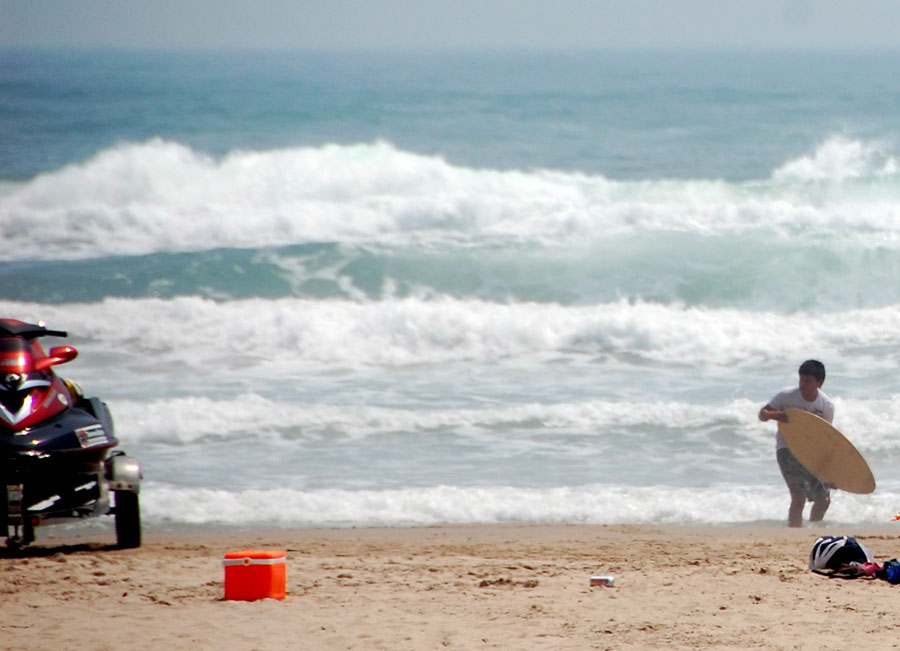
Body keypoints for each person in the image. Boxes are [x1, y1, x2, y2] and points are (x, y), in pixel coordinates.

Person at [758, 360, 835, 528]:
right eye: (801, 380)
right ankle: (794, 532)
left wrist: (831, 474)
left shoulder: (826, 406)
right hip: (787, 449)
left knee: (824, 499)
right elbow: (762, 414)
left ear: (819, 383)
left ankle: (813, 531)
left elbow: (825, 438)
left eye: (808, 381)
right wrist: (776, 415)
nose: (803, 384)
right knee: (798, 497)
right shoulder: (786, 396)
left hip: (811, 453)